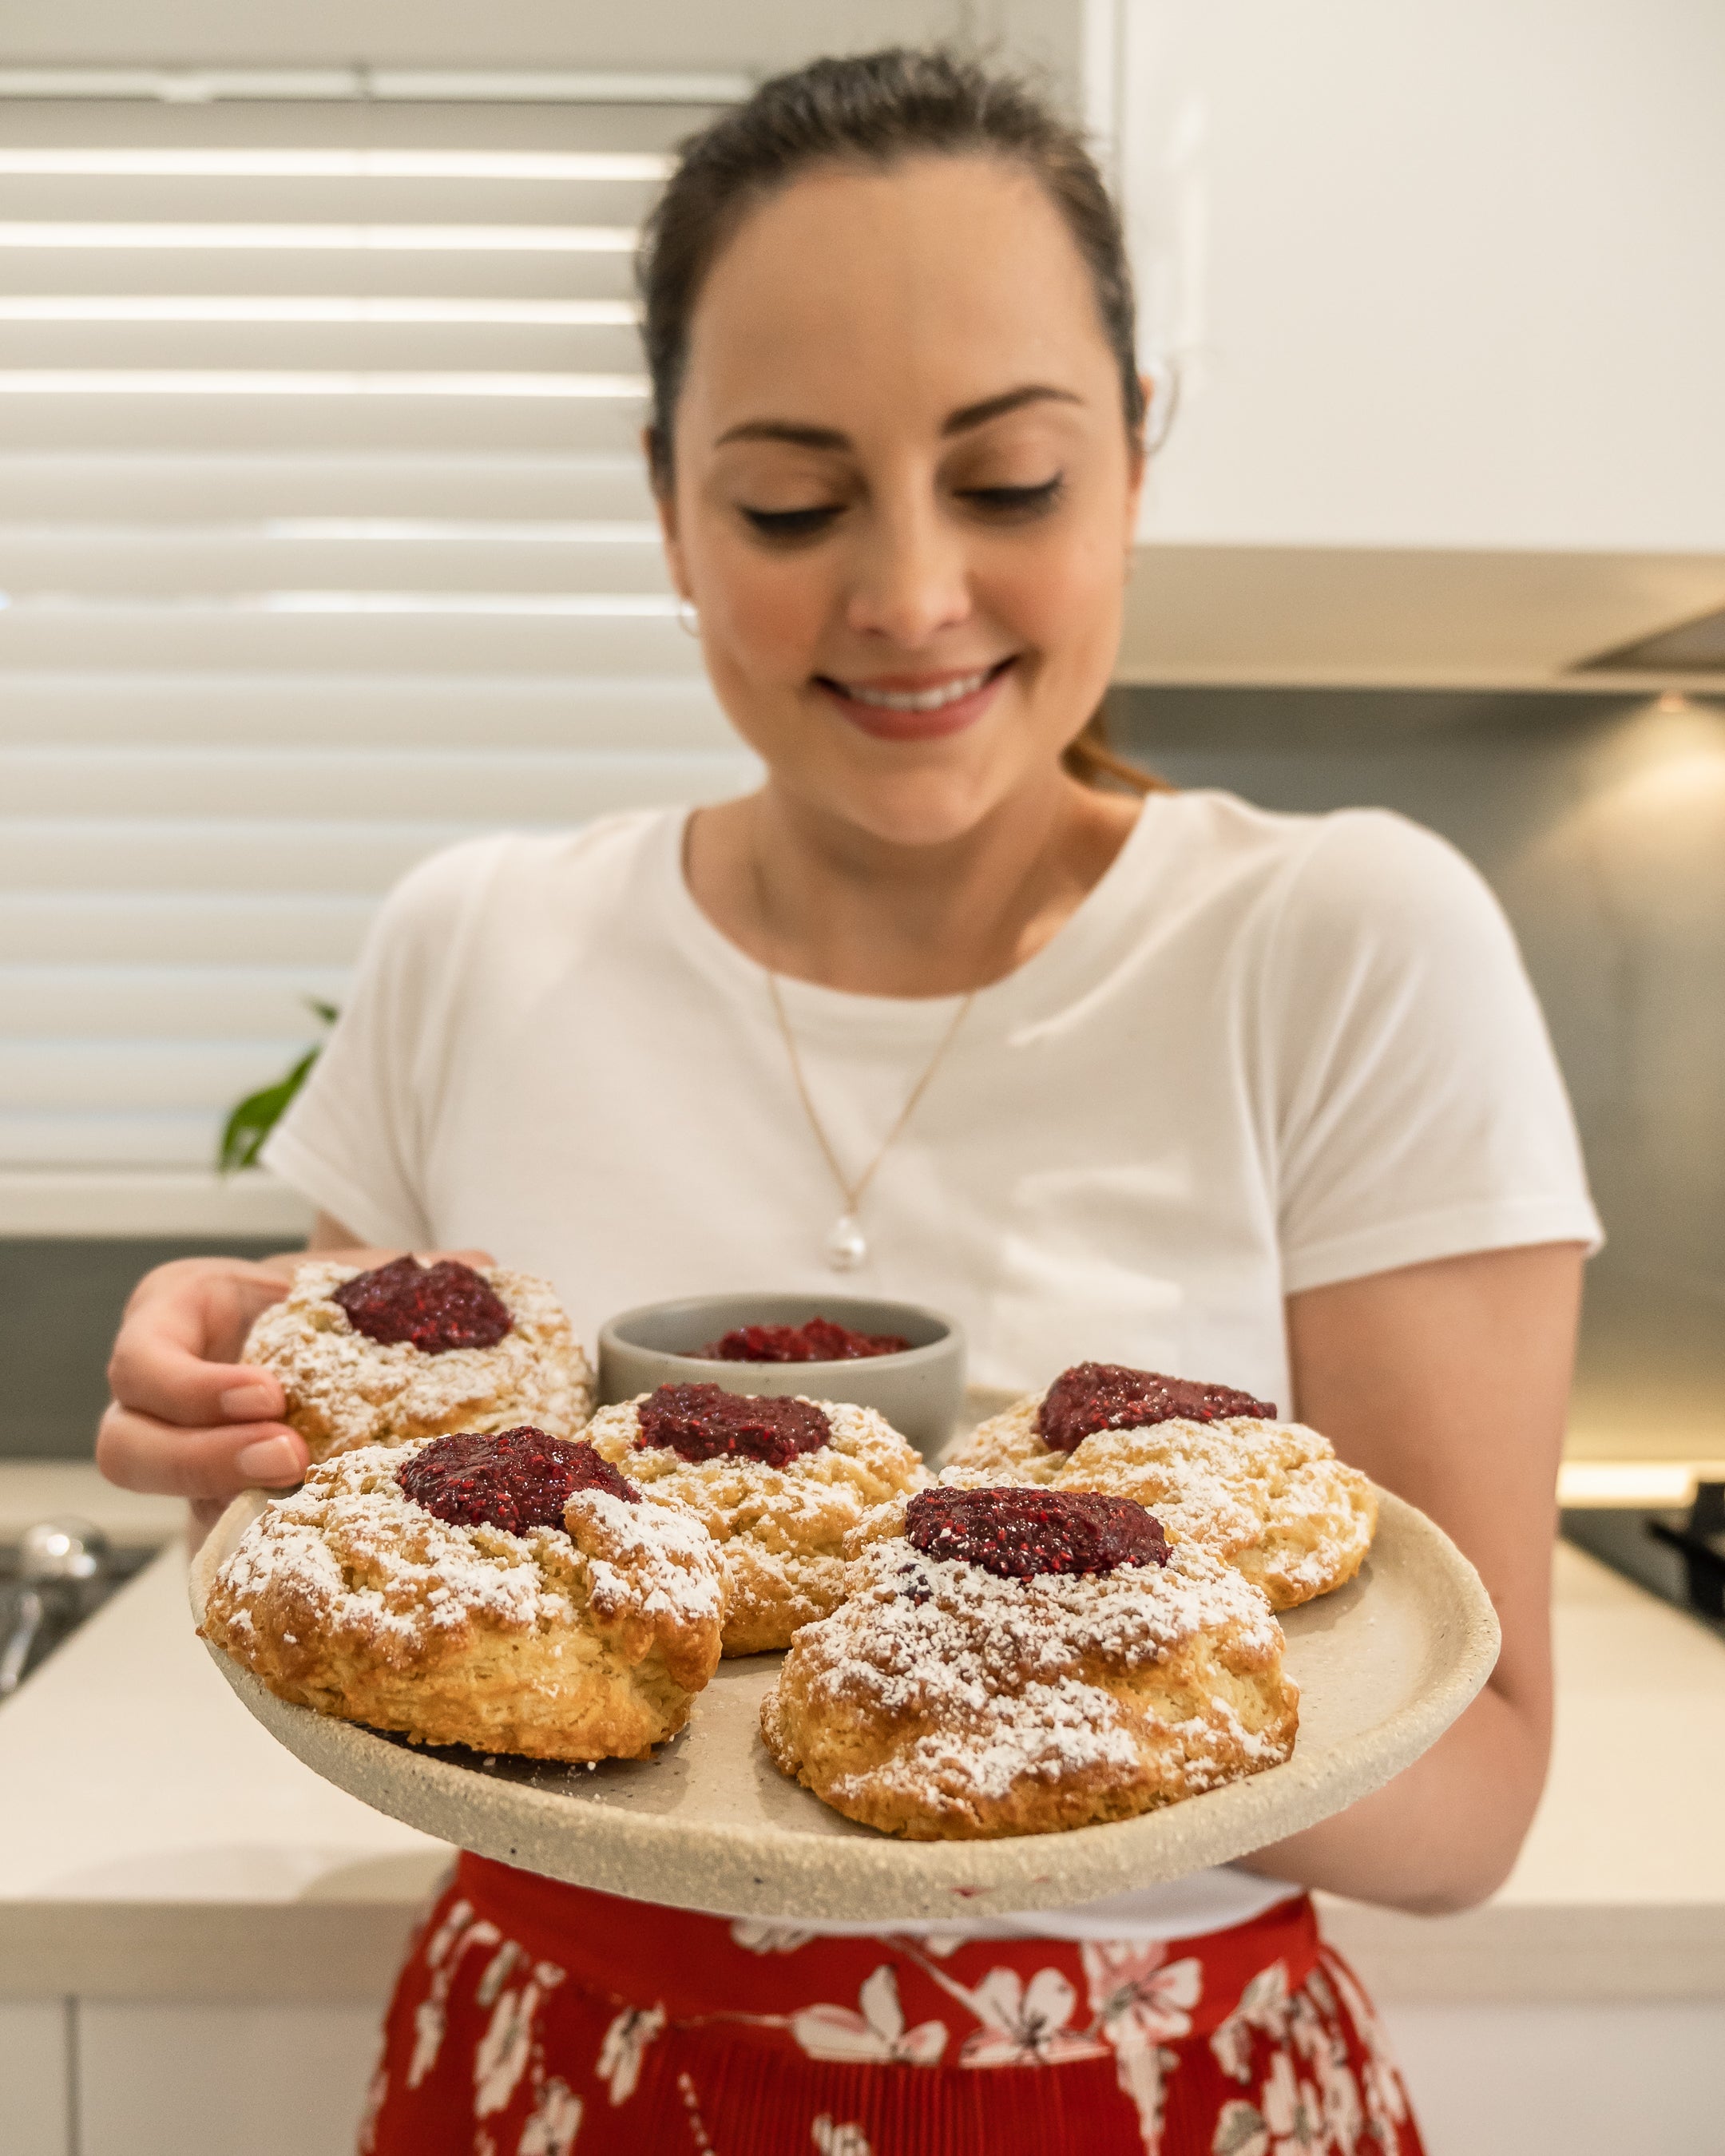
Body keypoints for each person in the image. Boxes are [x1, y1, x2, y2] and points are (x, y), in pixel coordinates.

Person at [97, 49, 1598, 2156]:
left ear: (1138, 462)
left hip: (1149, 2088)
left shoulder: (1351, 941)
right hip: (561, 2058)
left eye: (1008, 483)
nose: (907, 593)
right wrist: (213, 1420)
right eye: (794, 502)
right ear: (666, 505)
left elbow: (1479, 1787)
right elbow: (360, 1589)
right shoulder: (478, 942)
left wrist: (1038, 1700)